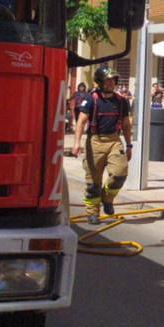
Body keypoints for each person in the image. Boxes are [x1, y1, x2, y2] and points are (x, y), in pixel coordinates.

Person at [72, 66, 133, 226]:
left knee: (120, 173)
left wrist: (129, 145)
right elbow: (81, 121)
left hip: (114, 140)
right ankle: (92, 212)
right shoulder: (92, 98)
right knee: (93, 181)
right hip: (95, 141)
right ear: (100, 81)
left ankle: (107, 199)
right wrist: (76, 143)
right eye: (108, 79)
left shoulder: (121, 101)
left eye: (113, 79)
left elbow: (126, 124)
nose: (112, 82)